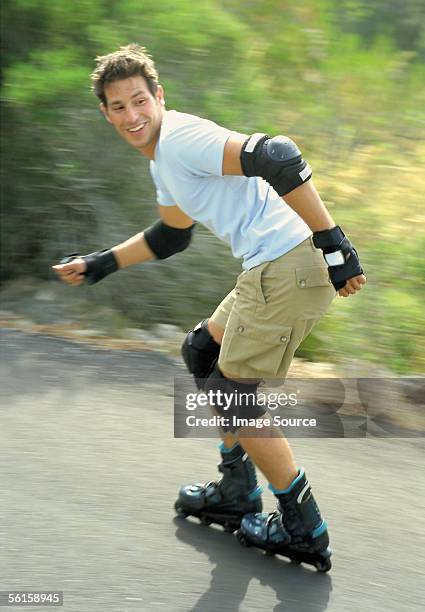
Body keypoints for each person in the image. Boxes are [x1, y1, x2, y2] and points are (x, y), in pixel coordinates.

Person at [53, 44, 366, 572]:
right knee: (203, 353)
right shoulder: (164, 163)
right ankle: (236, 490)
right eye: (118, 106)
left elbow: (278, 154)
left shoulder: (180, 137)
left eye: (139, 101)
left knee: (230, 392)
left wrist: (336, 247)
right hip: (268, 268)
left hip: (288, 264)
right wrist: (100, 264)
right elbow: (172, 237)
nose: (132, 116)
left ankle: (302, 525)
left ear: (159, 97)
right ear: (105, 113)